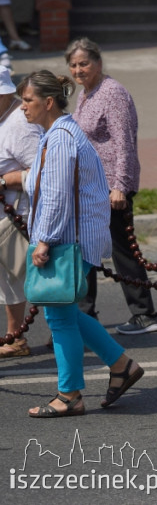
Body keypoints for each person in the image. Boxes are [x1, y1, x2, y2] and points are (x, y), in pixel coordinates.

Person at [13, 70, 144, 417]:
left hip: (67, 239)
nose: (22, 106)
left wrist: (44, 241)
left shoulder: (60, 139)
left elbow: (56, 197)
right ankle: (121, 366)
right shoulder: (58, 134)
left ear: (48, 102)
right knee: (66, 310)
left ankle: (70, 395)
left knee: (58, 317)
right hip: (76, 236)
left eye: (28, 100)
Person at [65, 38, 157, 335]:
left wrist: (120, 186)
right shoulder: (86, 94)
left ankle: (145, 314)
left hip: (111, 186)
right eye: (73, 65)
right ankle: (86, 314)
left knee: (122, 250)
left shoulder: (113, 93)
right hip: (90, 186)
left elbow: (124, 144)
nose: (79, 70)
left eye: (84, 63)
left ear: (99, 63)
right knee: (86, 249)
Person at [0, 66, 40, 358]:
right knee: (9, 279)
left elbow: (43, 172)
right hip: (7, 214)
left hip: (18, 215)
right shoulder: (6, 117)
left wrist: (3, 180)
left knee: (28, 279)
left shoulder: (20, 124)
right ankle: (16, 338)